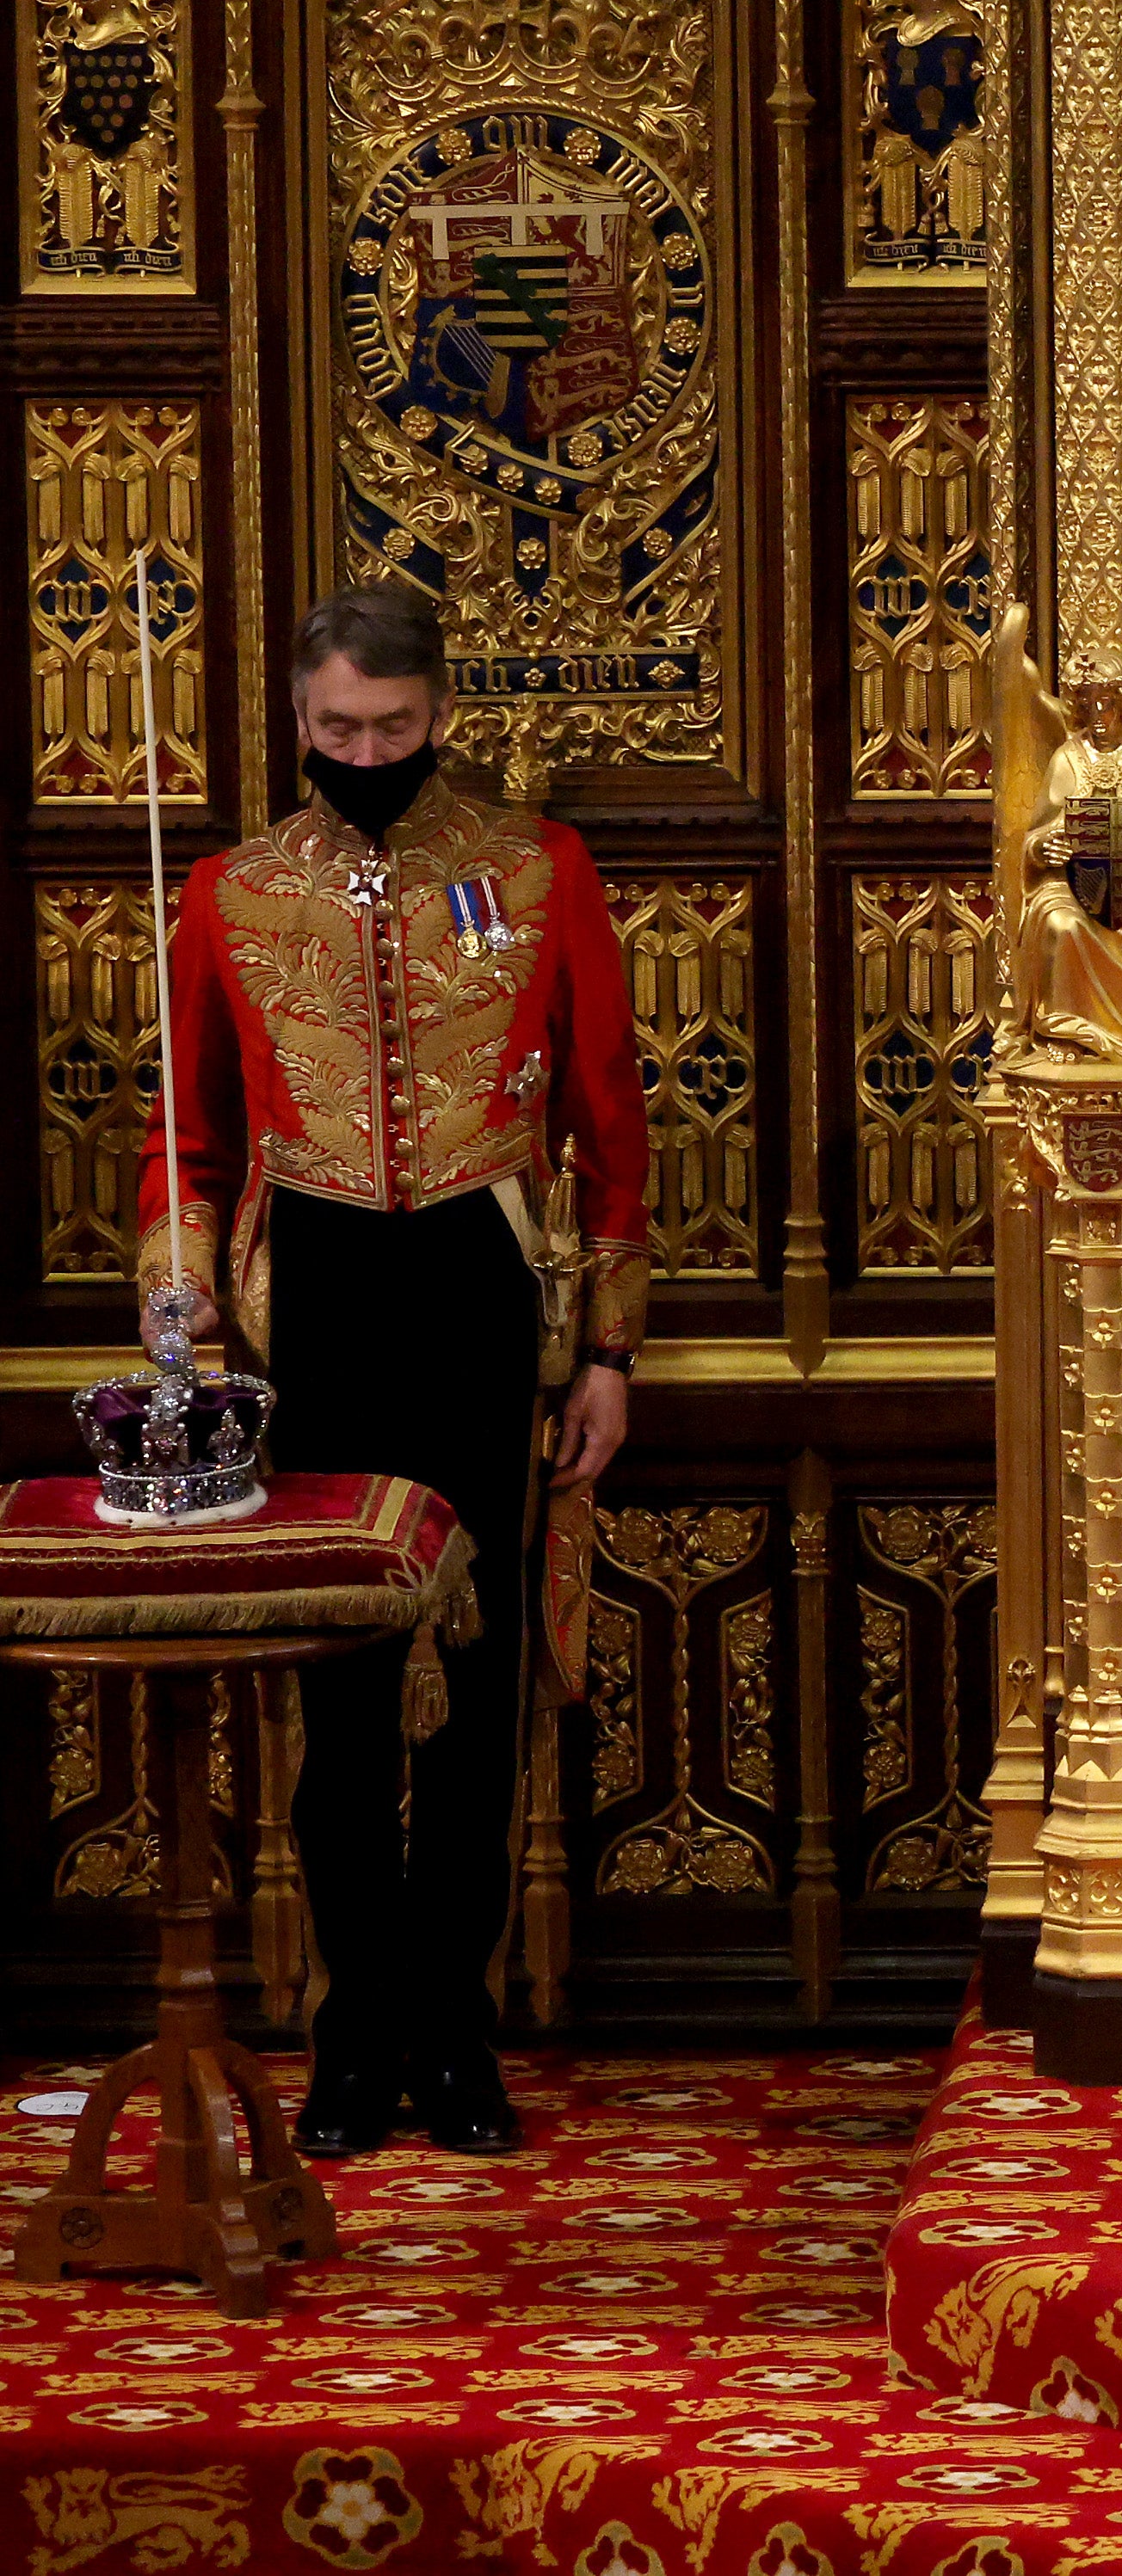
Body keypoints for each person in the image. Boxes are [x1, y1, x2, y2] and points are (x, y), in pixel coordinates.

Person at [139, 584, 650, 2159]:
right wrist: (178, 1296)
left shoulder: (530, 867)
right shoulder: (227, 893)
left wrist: (612, 1352)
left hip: (486, 1288)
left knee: (481, 1698)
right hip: (316, 1307)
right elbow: (189, 1141)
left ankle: (459, 2031)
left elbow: (610, 1109)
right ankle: (355, 2037)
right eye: (340, 730)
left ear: (441, 715)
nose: (368, 752)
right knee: (345, 1704)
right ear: (299, 722)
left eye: (397, 728)